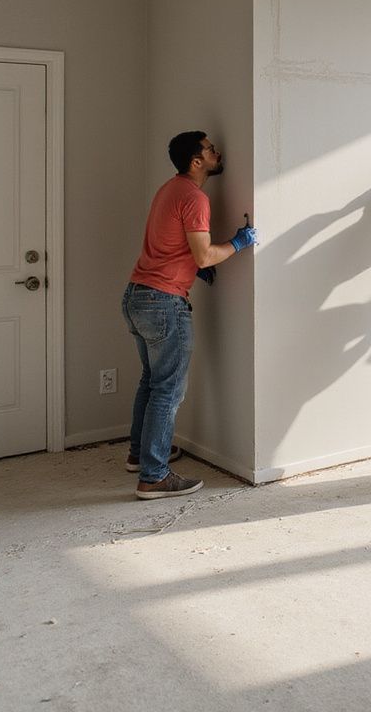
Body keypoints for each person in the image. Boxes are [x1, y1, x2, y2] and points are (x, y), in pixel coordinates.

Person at [122, 132, 257, 499]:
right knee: (167, 390)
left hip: (137, 296)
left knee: (151, 383)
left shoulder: (169, 189)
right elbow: (204, 256)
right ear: (197, 161)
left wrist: (192, 267)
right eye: (210, 149)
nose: (218, 152)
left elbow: (173, 244)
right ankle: (154, 476)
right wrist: (239, 243)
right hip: (164, 302)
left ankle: (143, 454)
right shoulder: (195, 198)